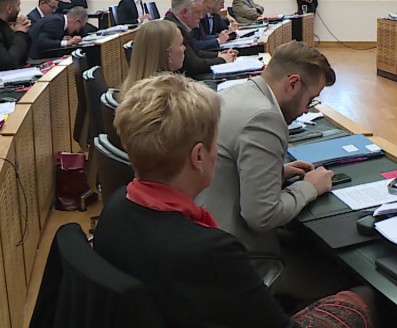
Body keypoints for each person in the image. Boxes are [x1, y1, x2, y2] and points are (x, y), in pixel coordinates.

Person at [94, 74, 373, 328]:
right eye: (217, 143)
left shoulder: (116, 207)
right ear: (199, 157)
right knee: (367, 294)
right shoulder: (211, 251)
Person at [199, 41, 349, 300]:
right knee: (348, 279)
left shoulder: (237, 93)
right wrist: (310, 186)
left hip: (208, 237)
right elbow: (262, 216)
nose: (305, 111)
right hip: (241, 259)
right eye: (310, 99)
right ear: (292, 83)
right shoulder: (264, 118)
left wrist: (275, 173)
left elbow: (228, 168)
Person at [164, 0, 236, 77]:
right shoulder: (174, 29)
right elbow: (193, 65)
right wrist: (222, 60)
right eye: (197, 12)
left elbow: (195, 52)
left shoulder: (178, 24)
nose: (201, 16)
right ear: (184, 12)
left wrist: (219, 54)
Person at [118, 20, 185, 98]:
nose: (184, 48)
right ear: (168, 54)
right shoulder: (168, 99)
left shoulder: (129, 89)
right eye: (181, 44)